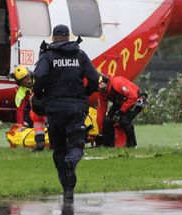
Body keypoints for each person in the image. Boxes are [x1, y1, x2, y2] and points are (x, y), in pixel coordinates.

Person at [32, 24, 100, 201]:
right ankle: (71, 166)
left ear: (54, 38)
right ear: (69, 37)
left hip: (54, 109)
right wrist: (86, 93)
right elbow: (94, 78)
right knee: (77, 146)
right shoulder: (80, 55)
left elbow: (39, 76)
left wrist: (39, 94)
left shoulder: (47, 55)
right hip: (77, 108)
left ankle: (67, 189)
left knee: (59, 149)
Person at [96, 74, 148, 148]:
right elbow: (101, 112)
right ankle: (108, 146)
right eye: (98, 86)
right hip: (121, 102)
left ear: (106, 82)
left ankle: (132, 145)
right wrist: (100, 132)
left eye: (101, 84)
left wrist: (121, 111)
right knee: (107, 121)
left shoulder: (117, 83)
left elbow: (133, 97)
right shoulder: (101, 93)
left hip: (137, 100)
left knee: (124, 121)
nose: (99, 87)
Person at [10, 65, 47, 152]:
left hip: (48, 107)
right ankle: (40, 141)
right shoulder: (20, 94)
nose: (28, 80)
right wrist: (20, 126)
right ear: (20, 82)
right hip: (37, 112)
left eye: (28, 77)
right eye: (24, 79)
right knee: (33, 118)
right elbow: (20, 111)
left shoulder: (39, 81)